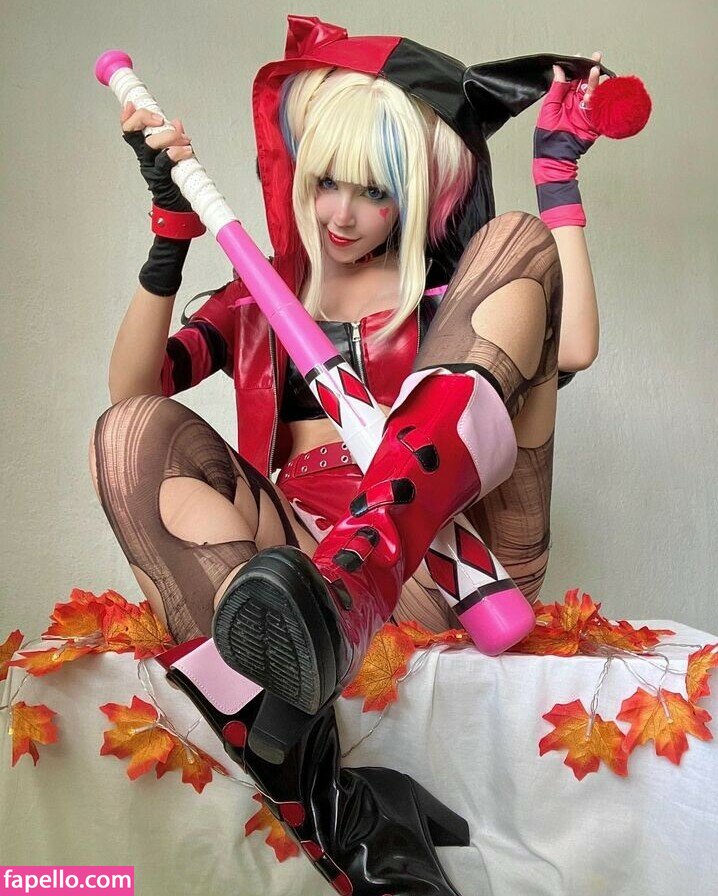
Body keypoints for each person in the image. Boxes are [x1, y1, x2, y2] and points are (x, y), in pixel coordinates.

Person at [90, 17, 646, 893]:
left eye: (374, 191)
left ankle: (360, 577)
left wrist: (557, 177)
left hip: (454, 554)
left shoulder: (449, 300)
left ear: (418, 195)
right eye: (326, 184)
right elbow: (134, 390)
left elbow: (572, 346)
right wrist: (169, 232)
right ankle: (336, 797)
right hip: (304, 559)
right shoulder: (260, 299)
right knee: (127, 436)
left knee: (517, 239)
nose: (341, 215)